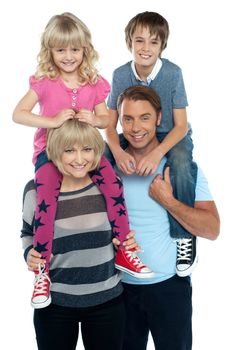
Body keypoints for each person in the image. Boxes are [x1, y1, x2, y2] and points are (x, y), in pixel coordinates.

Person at [13, 12, 153, 309]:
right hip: (50, 154)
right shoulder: (44, 82)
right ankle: (43, 271)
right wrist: (51, 120)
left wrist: (95, 117)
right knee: (46, 200)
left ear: (85, 50)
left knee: (114, 186)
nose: (68, 56)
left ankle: (124, 250)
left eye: (75, 49)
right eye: (61, 49)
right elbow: (18, 114)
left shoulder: (93, 82)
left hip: (89, 152)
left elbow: (105, 118)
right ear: (49, 50)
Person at [111, 85, 220, 350]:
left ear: (159, 118)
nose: (136, 127)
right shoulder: (107, 167)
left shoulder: (181, 169)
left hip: (169, 287)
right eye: (128, 118)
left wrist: (168, 201)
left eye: (145, 117)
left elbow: (212, 229)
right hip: (116, 288)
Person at [20, 119, 142, 350]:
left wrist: (126, 242)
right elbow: (27, 232)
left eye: (86, 149)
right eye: (69, 150)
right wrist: (29, 254)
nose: (79, 159)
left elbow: (120, 230)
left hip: (107, 302)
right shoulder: (35, 191)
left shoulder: (109, 185)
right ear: (55, 151)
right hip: (55, 305)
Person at [106, 11, 198, 277]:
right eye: (139, 41)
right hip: (132, 131)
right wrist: (117, 152)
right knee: (100, 158)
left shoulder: (173, 73)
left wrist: (158, 153)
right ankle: (111, 234)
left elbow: (181, 125)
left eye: (153, 42)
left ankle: (184, 236)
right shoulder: (120, 74)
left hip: (170, 133)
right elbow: (110, 126)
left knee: (180, 162)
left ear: (162, 45)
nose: (146, 48)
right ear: (129, 43)